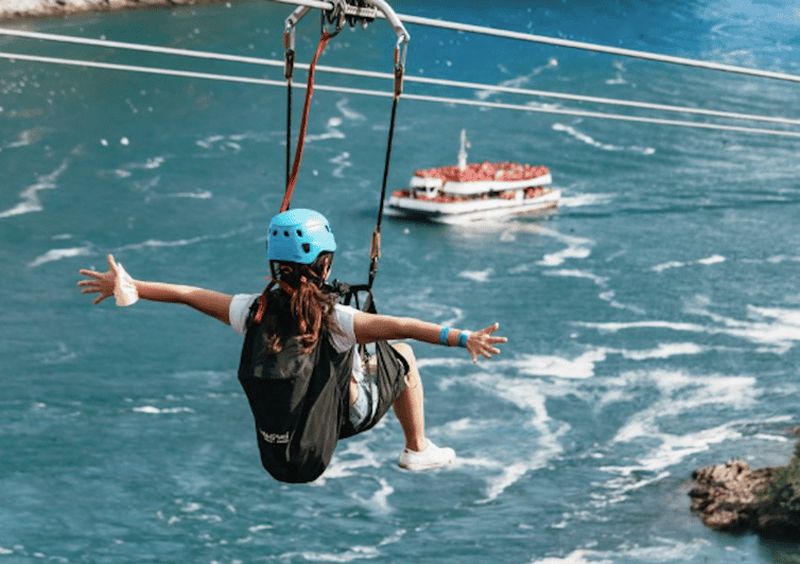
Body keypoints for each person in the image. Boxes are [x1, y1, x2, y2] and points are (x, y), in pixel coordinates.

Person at [77, 209, 506, 474]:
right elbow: (407, 327)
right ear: (324, 264)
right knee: (404, 357)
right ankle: (417, 448)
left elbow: (189, 295)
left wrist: (130, 286)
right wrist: (462, 338)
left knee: (359, 355)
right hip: (340, 419)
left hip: (286, 442)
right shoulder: (337, 319)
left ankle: (406, 437)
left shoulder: (253, 311)